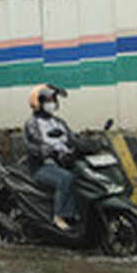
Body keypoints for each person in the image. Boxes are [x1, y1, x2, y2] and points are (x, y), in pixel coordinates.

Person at [22, 84, 78, 230]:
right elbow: (34, 146)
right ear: (38, 103)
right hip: (42, 167)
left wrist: (84, 144)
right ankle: (59, 216)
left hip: (62, 163)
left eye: (53, 99)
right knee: (65, 178)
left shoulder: (58, 122)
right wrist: (51, 152)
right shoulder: (32, 124)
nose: (51, 103)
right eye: (47, 100)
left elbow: (71, 139)